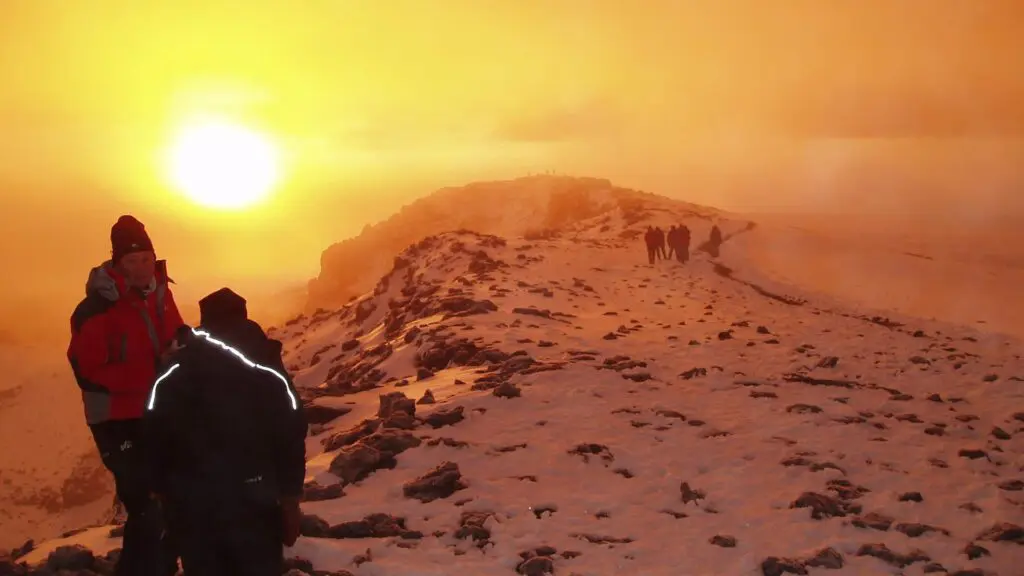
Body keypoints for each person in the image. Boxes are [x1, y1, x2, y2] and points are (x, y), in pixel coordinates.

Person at [144, 288, 307, 576]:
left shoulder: (173, 374)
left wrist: (163, 497)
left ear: (204, 323)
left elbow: (155, 437)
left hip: (194, 504)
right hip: (256, 498)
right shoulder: (268, 372)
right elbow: (290, 435)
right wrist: (290, 499)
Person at [67, 215, 184, 576]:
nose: (141, 268)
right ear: (116, 264)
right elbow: (88, 371)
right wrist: (155, 367)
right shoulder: (96, 309)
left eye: (146, 258)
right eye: (131, 261)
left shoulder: (161, 292)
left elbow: (175, 333)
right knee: (145, 503)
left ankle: (156, 568)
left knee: (171, 496)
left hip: (153, 411)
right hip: (114, 419)